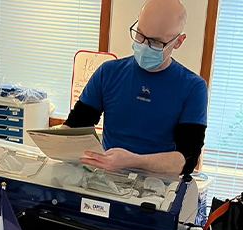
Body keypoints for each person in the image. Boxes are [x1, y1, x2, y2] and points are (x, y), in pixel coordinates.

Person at [62, 0, 208, 176]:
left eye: (155, 42)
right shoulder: (108, 72)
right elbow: (76, 125)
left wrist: (133, 161)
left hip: (157, 188)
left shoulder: (192, 87)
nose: (144, 45)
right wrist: (53, 141)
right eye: (140, 35)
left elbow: (187, 160)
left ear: (178, 41)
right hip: (106, 180)